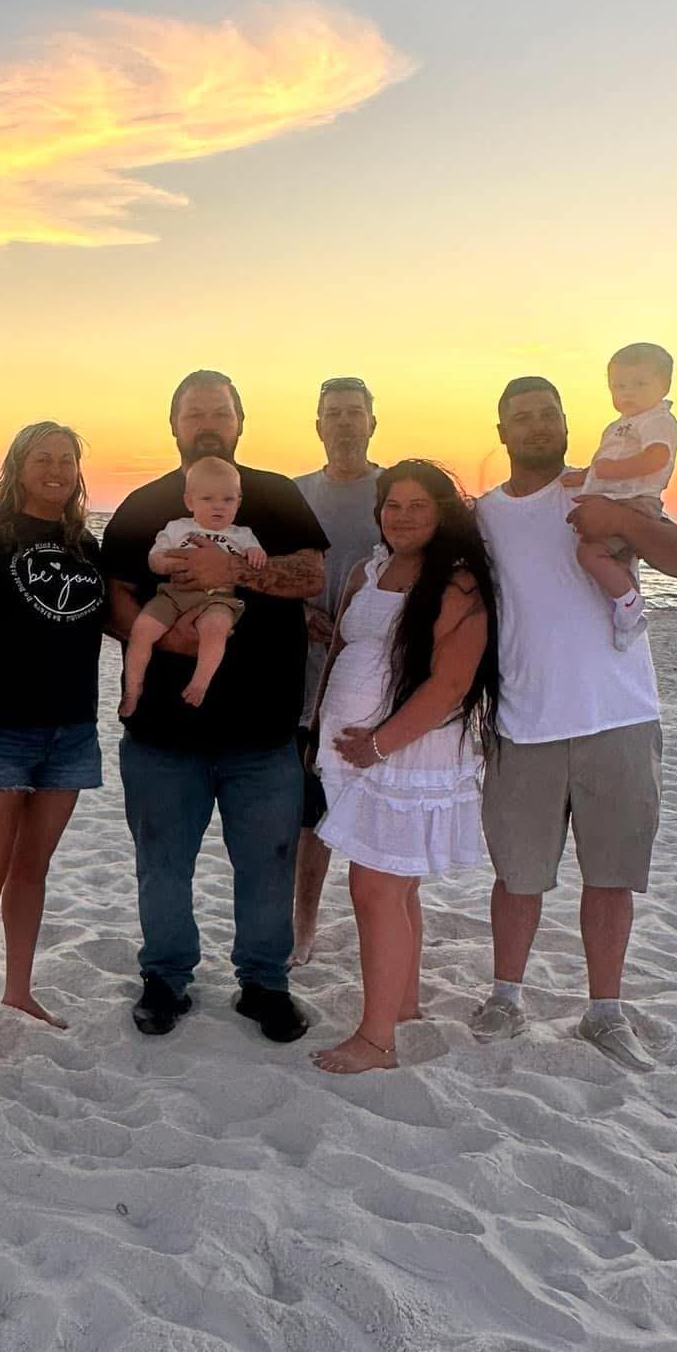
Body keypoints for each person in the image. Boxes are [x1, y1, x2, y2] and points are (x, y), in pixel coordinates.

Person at [470, 377, 677, 1070]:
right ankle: (505, 997)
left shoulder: (604, 491)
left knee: (611, 875)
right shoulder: (481, 517)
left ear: (568, 423)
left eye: (549, 415)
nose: (538, 426)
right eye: (522, 418)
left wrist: (620, 519)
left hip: (620, 714)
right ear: (502, 431)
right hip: (521, 719)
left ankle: (604, 1011)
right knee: (518, 876)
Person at [101, 369, 328, 1042]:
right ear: (172, 424)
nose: (206, 421)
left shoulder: (276, 496)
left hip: (262, 732)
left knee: (267, 863)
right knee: (162, 863)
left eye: (219, 412)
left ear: (240, 422)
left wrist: (241, 573)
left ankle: (263, 983)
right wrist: (166, 634)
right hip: (161, 734)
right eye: (193, 411)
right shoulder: (144, 505)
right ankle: (165, 979)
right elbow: (114, 596)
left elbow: (312, 574)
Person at [309, 462, 497, 1074]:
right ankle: (405, 1005)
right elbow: (344, 645)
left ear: (443, 512)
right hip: (358, 753)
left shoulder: (458, 584)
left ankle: (376, 1040)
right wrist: (322, 727)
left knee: (376, 890)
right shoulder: (369, 568)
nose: (404, 516)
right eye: (393, 505)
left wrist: (382, 743)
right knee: (397, 886)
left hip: (405, 755)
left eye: (419, 505)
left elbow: (450, 686)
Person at [0, 421, 107, 1056]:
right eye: (43, 458)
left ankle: (18, 989)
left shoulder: (82, 541)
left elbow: (118, 617)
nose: (56, 469)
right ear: (18, 463)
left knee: (33, 870)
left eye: (67, 459)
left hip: (72, 730)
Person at [291, 375, 381, 964]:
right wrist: (298, 611)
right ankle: (304, 928)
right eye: (334, 413)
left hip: (377, 681)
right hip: (302, 682)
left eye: (355, 413)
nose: (345, 423)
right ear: (317, 424)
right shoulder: (292, 494)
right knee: (307, 817)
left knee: (382, 811)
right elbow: (256, 571)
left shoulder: (394, 490)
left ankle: (387, 927)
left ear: (373, 422)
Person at [119, 456, 266, 716]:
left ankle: (201, 682)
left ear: (239, 501)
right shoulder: (178, 528)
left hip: (218, 598)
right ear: (190, 501)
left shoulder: (242, 534)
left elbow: (256, 560)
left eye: (228, 499)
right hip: (174, 595)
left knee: (217, 628)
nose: (218, 506)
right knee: (142, 629)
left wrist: (255, 554)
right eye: (208, 499)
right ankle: (133, 688)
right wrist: (166, 566)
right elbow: (156, 557)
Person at [573, 341, 677, 649]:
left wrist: (613, 471)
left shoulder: (656, 420)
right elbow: (604, 464)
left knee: (590, 553)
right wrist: (586, 475)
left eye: (639, 384)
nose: (627, 393)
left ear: (664, 386)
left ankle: (629, 603)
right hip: (619, 499)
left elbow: (657, 457)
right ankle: (628, 611)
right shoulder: (620, 425)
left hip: (634, 504)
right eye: (618, 385)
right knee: (617, 561)